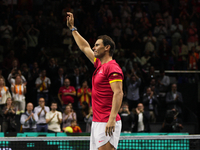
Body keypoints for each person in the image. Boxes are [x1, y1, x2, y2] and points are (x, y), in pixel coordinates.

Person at [67, 12, 124, 150]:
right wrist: (73, 29)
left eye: (97, 45)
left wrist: (111, 119)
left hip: (107, 121)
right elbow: (84, 47)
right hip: (97, 121)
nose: (94, 47)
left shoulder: (112, 67)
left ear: (107, 47)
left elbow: (118, 93)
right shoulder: (100, 65)